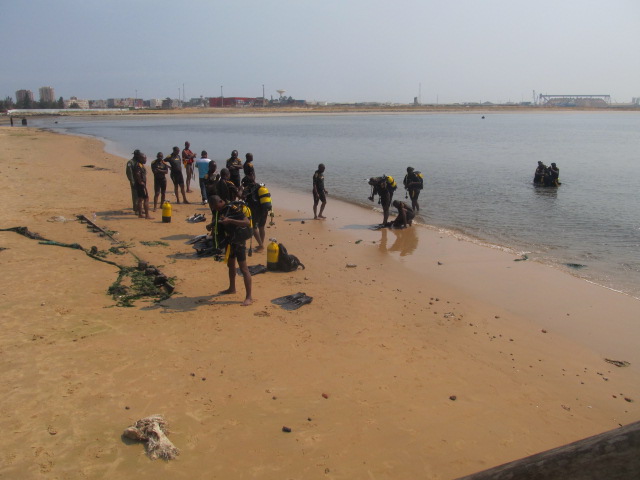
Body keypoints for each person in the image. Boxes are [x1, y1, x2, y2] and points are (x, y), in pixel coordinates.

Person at [210, 195, 254, 306]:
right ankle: (232, 288)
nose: (216, 209)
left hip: (239, 242)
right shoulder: (220, 210)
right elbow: (220, 221)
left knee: (244, 269)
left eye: (216, 206)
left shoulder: (233, 208)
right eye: (214, 208)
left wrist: (230, 220)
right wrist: (211, 225)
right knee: (230, 265)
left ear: (221, 201)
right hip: (230, 241)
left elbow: (246, 222)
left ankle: (249, 297)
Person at [242, 177, 271, 252]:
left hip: (256, 211)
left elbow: (242, 197)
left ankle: (261, 246)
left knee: (254, 227)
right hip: (264, 209)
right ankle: (261, 244)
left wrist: (240, 189)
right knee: (261, 227)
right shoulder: (259, 187)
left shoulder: (247, 189)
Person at [133, 152, 152, 219]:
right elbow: (137, 174)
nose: (146, 160)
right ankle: (147, 215)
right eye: (144, 158)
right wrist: (140, 182)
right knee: (146, 199)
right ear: (140, 158)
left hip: (139, 185)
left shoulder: (140, 164)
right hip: (141, 185)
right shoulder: (138, 165)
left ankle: (140, 214)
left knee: (140, 199)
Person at [126, 150, 141, 214]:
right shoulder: (130, 162)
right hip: (134, 181)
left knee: (140, 195)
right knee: (135, 195)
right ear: (135, 155)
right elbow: (129, 173)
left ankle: (139, 208)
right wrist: (132, 181)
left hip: (140, 181)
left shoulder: (139, 162)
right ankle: (136, 209)